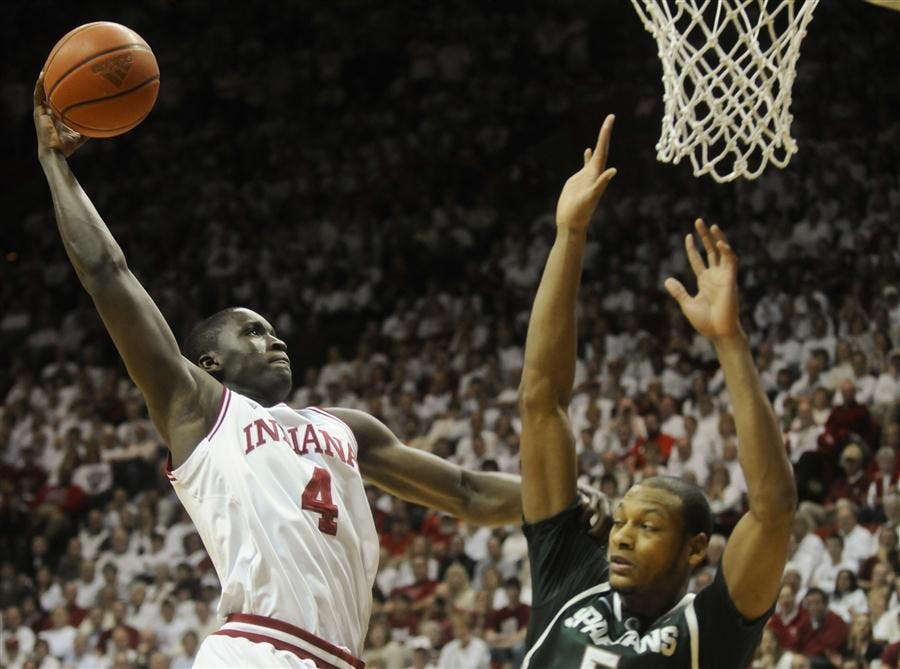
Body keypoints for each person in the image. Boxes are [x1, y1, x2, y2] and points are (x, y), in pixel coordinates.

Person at [33, 74, 528, 668]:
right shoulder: (197, 407)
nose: (277, 338)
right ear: (208, 363)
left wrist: (566, 499)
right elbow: (107, 273)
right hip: (257, 649)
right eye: (254, 331)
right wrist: (53, 159)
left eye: (271, 329)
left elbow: (468, 492)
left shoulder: (348, 429)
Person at [517, 115, 797, 667]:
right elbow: (541, 401)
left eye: (647, 527)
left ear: (696, 548)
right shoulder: (571, 573)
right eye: (622, 521)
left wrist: (729, 341)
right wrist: (569, 236)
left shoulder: (713, 630)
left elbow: (774, 510)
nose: (621, 537)